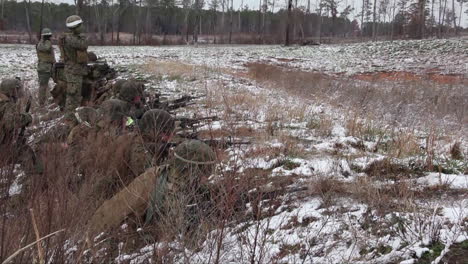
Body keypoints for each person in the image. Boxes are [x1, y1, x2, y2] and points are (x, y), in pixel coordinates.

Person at [87, 139, 216, 236]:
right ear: (190, 169)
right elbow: (114, 210)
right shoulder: (152, 179)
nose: (206, 178)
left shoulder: (192, 186)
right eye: (204, 172)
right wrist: (90, 237)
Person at [0, 78, 42, 174]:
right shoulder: (8, 105)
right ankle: (34, 180)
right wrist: (26, 118)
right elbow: (10, 124)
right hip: (3, 148)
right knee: (29, 155)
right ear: (12, 91)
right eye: (17, 90)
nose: (19, 93)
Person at [59, 15, 88, 117]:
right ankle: (70, 118)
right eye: (80, 25)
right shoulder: (71, 39)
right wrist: (83, 36)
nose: (82, 27)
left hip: (75, 70)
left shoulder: (71, 37)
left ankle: (72, 116)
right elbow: (84, 45)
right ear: (75, 27)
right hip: (73, 71)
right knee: (73, 97)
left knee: (75, 95)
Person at [36, 28, 56, 106]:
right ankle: (42, 103)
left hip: (46, 67)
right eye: (48, 36)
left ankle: (44, 102)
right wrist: (48, 41)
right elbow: (47, 48)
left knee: (43, 86)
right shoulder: (45, 44)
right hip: (46, 67)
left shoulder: (40, 43)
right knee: (43, 86)